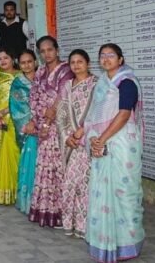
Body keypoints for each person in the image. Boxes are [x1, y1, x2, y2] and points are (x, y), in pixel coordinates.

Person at [85, 44, 144, 262]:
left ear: (120, 59)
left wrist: (101, 139)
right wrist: (93, 138)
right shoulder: (101, 84)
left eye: (111, 55)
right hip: (102, 143)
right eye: (103, 55)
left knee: (124, 193)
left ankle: (128, 245)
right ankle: (104, 243)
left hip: (122, 144)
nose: (106, 58)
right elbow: (92, 116)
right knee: (101, 192)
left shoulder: (127, 82)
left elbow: (124, 114)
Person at [28, 36, 73, 228]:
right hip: (42, 126)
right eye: (43, 51)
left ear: (57, 50)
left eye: (50, 50)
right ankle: (47, 212)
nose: (47, 54)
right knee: (45, 169)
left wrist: (47, 122)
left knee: (58, 168)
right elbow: (34, 96)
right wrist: (36, 120)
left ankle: (63, 213)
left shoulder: (65, 71)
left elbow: (62, 98)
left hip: (59, 128)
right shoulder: (40, 72)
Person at [56, 49, 97, 239]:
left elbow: (100, 112)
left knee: (86, 186)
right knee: (69, 184)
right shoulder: (67, 86)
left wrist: (83, 131)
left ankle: (84, 226)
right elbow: (61, 114)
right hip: (71, 144)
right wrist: (67, 137)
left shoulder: (96, 85)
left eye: (80, 61)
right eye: (73, 62)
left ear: (88, 63)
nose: (76, 65)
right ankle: (70, 223)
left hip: (88, 142)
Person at [0, 47, 20, 205]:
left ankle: (18, 191)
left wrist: (4, 112)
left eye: (6, 58)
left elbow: (22, 99)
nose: (3, 61)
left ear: (13, 59)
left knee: (16, 154)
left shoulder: (20, 76)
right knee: (1, 155)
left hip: (16, 120)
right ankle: (5, 191)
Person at [9, 49, 38, 214]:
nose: (27, 65)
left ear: (35, 62)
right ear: (19, 65)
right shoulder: (17, 83)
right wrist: (30, 124)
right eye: (23, 63)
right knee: (30, 165)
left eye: (29, 62)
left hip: (45, 128)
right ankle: (29, 203)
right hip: (29, 132)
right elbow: (16, 108)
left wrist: (40, 121)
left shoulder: (43, 79)